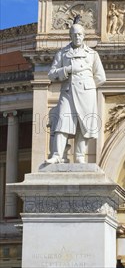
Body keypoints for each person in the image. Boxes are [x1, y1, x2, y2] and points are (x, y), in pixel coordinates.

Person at [46, 21, 106, 164]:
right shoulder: (62, 53)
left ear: (84, 36)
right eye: (74, 35)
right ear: (70, 36)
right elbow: (51, 74)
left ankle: (80, 156)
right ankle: (56, 155)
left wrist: (89, 86)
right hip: (67, 92)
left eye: (79, 34)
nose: (77, 37)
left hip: (86, 93)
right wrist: (66, 70)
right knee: (62, 122)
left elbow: (101, 77)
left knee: (83, 124)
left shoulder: (92, 54)